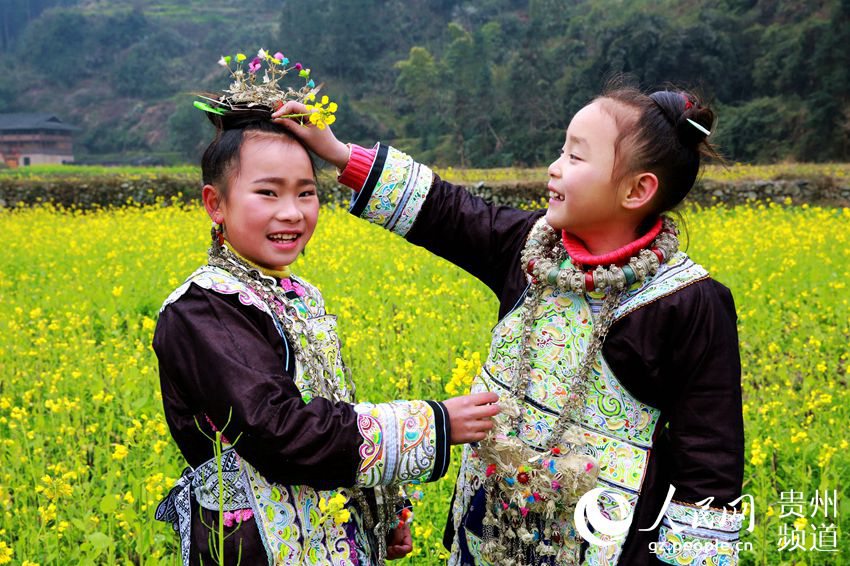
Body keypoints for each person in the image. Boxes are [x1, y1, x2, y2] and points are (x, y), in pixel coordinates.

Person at [273, 84, 746, 565]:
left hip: (601, 539)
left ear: (637, 189)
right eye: (562, 150)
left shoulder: (689, 303)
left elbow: (709, 462)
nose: (555, 167)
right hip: (490, 519)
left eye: (576, 158)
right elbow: (445, 210)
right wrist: (337, 153)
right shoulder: (530, 246)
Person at [153, 60, 501, 565]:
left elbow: (332, 402)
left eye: (306, 193)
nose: (292, 212)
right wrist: (434, 423)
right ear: (215, 204)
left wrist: (381, 510)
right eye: (267, 193)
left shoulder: (299, 294)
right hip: (255, 548)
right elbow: (283, 433)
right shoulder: (202, 310)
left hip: (331, 532)